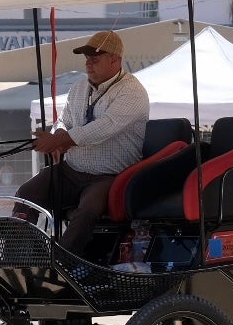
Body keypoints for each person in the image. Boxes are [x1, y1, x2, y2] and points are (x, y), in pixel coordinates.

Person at [10, 29, 149, 257]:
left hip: (110, 176)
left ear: (115, 59)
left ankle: (63, 261)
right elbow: (63, 121)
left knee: (87, 210)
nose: (88, 65)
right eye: (87, 60)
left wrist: (63, 139)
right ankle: (16, 254)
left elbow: (105, 126)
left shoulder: (133, 92)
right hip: (71, 171)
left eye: (95, 60)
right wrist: (58, 136)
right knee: (28, 191)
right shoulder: (79, 89)